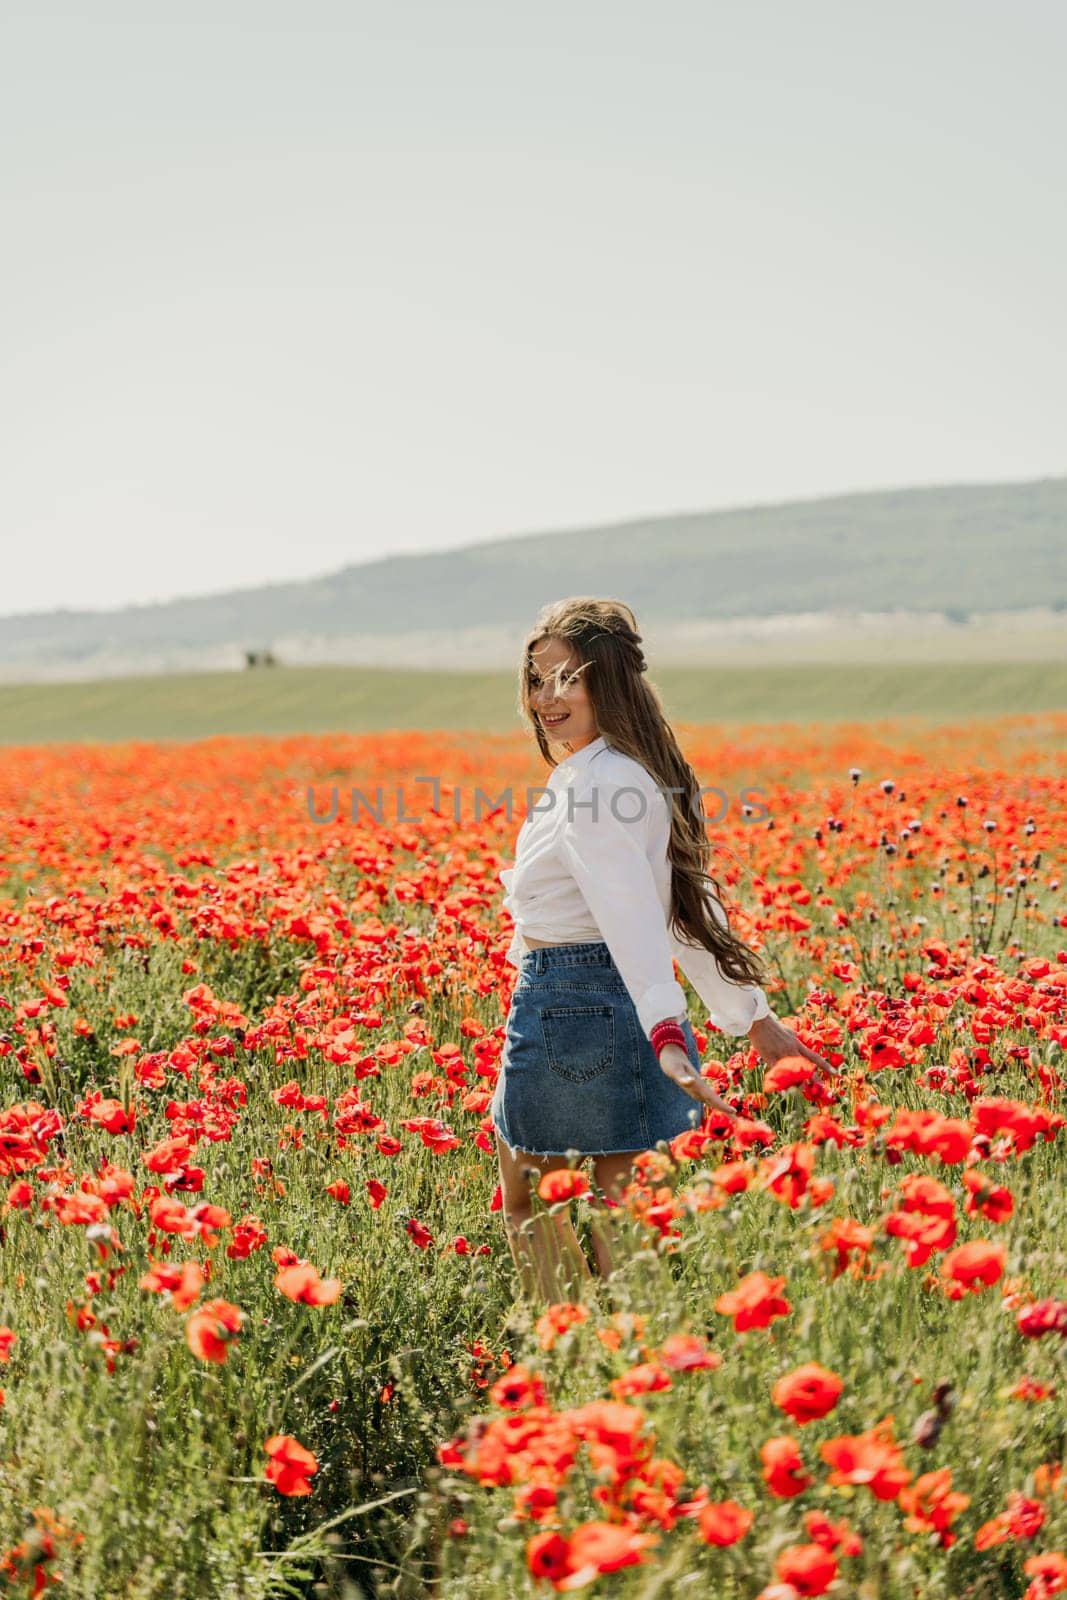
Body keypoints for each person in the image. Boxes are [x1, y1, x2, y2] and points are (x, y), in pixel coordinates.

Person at [489, 597, 836, 1310]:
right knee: (621, 1213)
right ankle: (632, 1369)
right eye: (536, 678)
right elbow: (680, 902)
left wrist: (669, 1029)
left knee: (532, 1204)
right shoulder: (621, 771)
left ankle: (573, 1364)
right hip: (607, 1002)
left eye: (567, 679)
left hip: (569, 1002)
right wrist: (749, 1018)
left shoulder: (594, 786)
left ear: (607, 684)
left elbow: (633, 915)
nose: (545, 698)